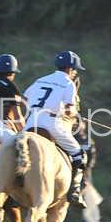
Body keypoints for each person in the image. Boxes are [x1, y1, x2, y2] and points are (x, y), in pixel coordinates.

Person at [25, 51, 90, 207]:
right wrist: (74, 113)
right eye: (75, 70)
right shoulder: (68, 83)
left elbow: (24, 99)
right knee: (79, 154)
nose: (75, 73)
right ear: (70, 69)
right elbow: (68, 111)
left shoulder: (40, 80)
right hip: (51, 123)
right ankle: (74, 191)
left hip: (30, 122)